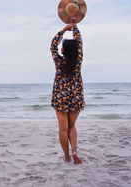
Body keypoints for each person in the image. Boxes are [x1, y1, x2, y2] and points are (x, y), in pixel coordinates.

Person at [50, 17, 85, 164]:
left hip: (61, 97)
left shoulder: (59, 61)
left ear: (63, 50)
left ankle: (66, 156)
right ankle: (75, 151)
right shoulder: (78, 60)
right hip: (76, 96)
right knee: (72, 126)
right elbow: (80, 42)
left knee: (63, 129)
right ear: (76, 50)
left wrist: (64, 30)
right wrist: (75, 27)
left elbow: (52, 46)